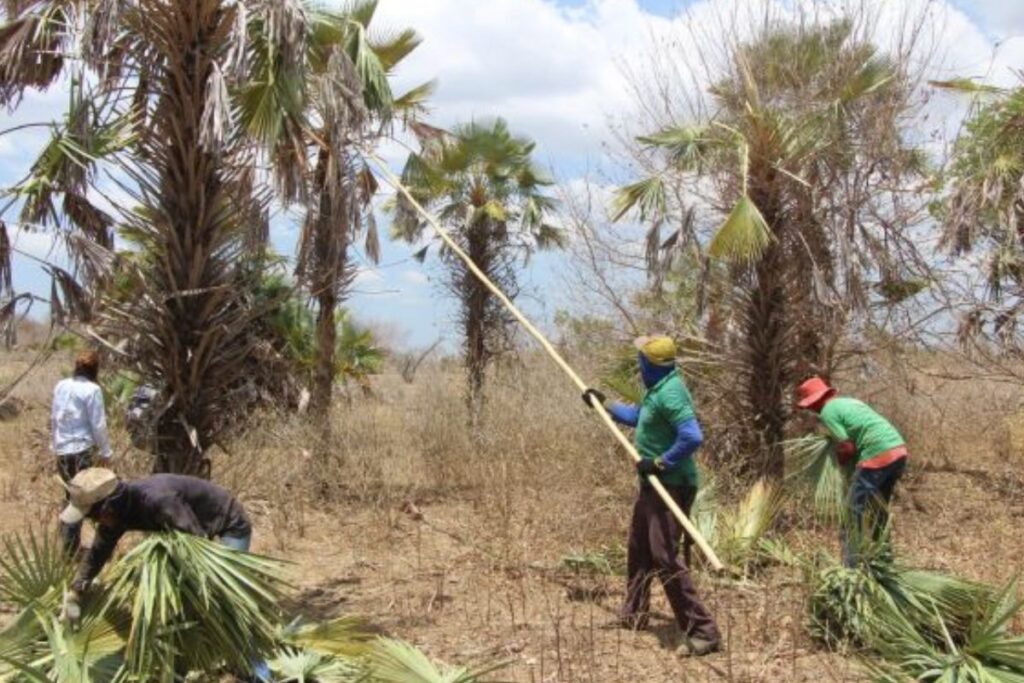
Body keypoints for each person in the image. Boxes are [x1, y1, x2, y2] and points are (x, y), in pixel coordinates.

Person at [582, 335, 721, 657]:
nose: (637, 363)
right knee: (639, 548)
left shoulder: (672, 393)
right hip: (654, 485)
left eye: (640, 358)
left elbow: (691, 436)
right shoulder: (658, 389)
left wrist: (660, 463)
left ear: (649, 363)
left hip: (671, 484)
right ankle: (634, 613)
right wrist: (603, 405)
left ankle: (704, 631)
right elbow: (637, 417)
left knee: (664, 556)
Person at [796, 376, 909, 567]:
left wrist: (839, 463)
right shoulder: (850, 402)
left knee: (850, 513)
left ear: (816, 401)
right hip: (898, 451)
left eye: (810, 406)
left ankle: (851, 569)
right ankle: (885, 561)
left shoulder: (827, 412)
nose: (811, 410)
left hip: (878, 455)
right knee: (877, 510)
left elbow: (847, 446)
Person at [51, 349, 112, 555]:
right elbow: (98, 424)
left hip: (62, 449)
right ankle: (72, 550)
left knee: (69, 495)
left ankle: (68, 545)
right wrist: (106, 451)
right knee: (80, 500)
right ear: (94, 369)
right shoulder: (93, 390)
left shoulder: (61, 385)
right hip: (81, 450)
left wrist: (55, 445)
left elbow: (54, 418)